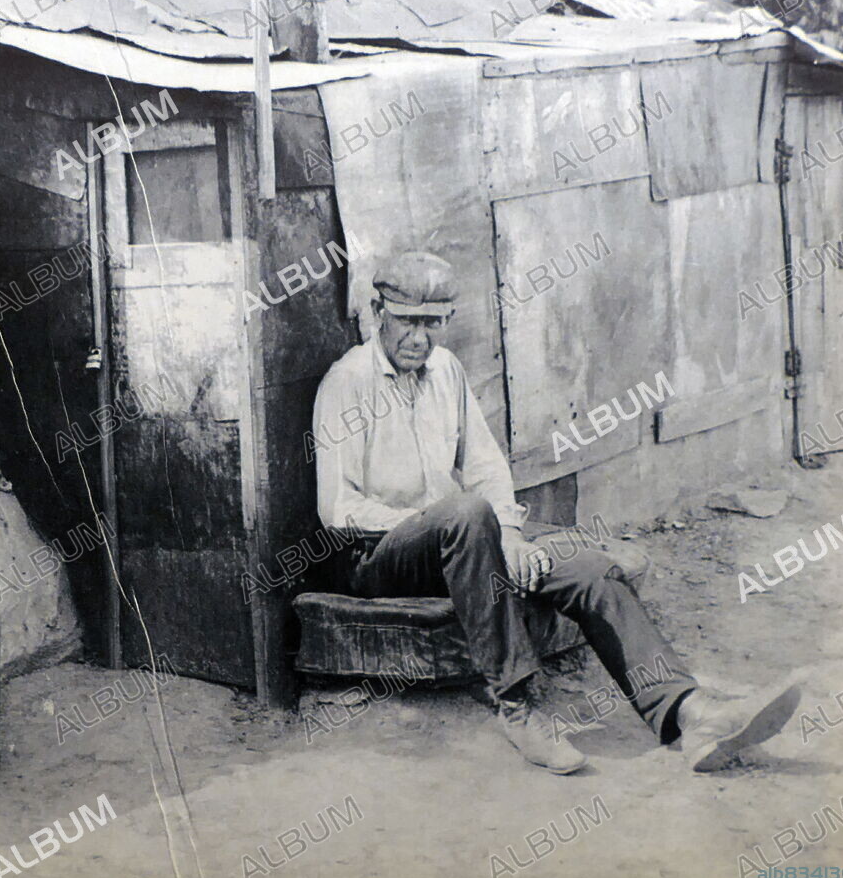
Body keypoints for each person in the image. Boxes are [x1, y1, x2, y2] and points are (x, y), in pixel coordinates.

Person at [311, 251, 802, 774]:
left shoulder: (445, 371)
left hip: (464, 547)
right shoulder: (348, 382)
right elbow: (339, 509)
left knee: (589, 570)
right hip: (378, 560)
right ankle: (517, 706)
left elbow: (486, 468)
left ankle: (689, 711)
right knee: (465, 513)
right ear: (375, 311)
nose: (419, 338)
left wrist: (511, 539)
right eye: (407, 321)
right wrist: (444, 522)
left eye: (433, 323)